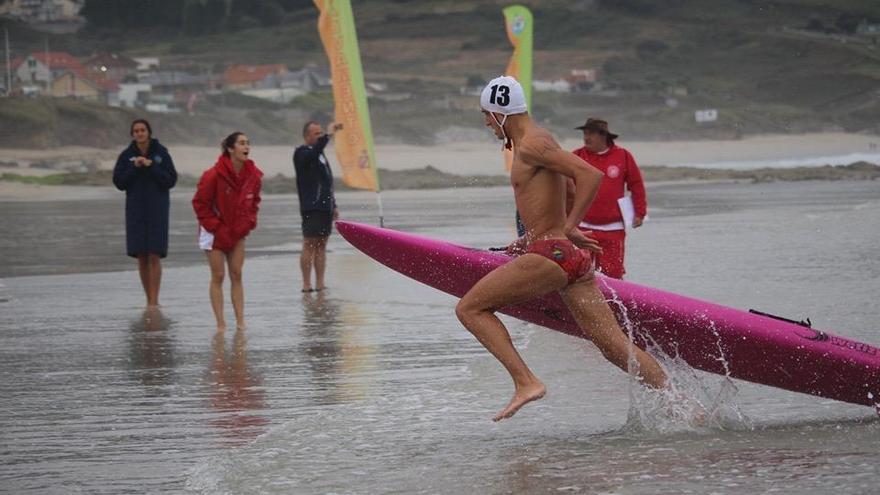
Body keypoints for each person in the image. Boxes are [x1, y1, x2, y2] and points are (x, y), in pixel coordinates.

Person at [456, 76, 668, 422]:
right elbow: (568, 188)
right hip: (570, 258)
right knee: (615, 348)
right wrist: (535, 236)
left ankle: (526, 382)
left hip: (552, 254)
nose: (485, 123)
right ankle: (682, 403)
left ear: (500, 112)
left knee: (470, 309)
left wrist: (569, 228)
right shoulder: (540, 141)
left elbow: (589, 176)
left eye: (486, 115)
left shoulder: (530, 146)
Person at [192, 132, 263, 332]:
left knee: (237, 273)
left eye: (248, 143)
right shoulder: (213, 175)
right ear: (231, 149)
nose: (246, 146)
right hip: (213, 232)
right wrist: (216, 227)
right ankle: (221, 323)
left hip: (238, 231)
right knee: (219, 275)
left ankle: (241, 321)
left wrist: (249, 221)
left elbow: (254, 201)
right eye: (241, 143)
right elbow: (200, 204)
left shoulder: (254, 175)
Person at [113, 119, 178, 307]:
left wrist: (152, 166)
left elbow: (170, 180)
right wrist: (135, 167)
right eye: (136, 131)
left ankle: (155, 300)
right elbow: (119, 182)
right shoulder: (126, 156)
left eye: (142, 130)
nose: (139, 133)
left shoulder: (161, 153)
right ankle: (148, 299)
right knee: (141, 255)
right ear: (132, 134)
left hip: (157, 209)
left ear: (149, 132)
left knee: (154, 254)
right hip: (135, 210)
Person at [571, 118, 647, 279]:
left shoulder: (623, 156)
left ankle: (613, 304)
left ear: (603, 135)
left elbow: (636, 185)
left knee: (612, 274)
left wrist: (640, 213)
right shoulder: (576, 156)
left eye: (590, 133)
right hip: (582, 227)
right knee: (579, 273)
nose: (586, 138)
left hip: (613, 229)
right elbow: (562, 187)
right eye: (584, 133)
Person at [293, 121, 341, 292]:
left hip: (325, 206)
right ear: (306, 136)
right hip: (311, 205)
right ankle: (306, 283)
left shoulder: (321, 156)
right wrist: (327, 136)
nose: (320, 136)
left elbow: (327, 182)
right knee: (309, 243)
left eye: (321, 133)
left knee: (322, 244)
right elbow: (312, 154)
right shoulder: (302, 153)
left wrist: (333, 204)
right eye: (316, 134)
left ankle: (320, 283)